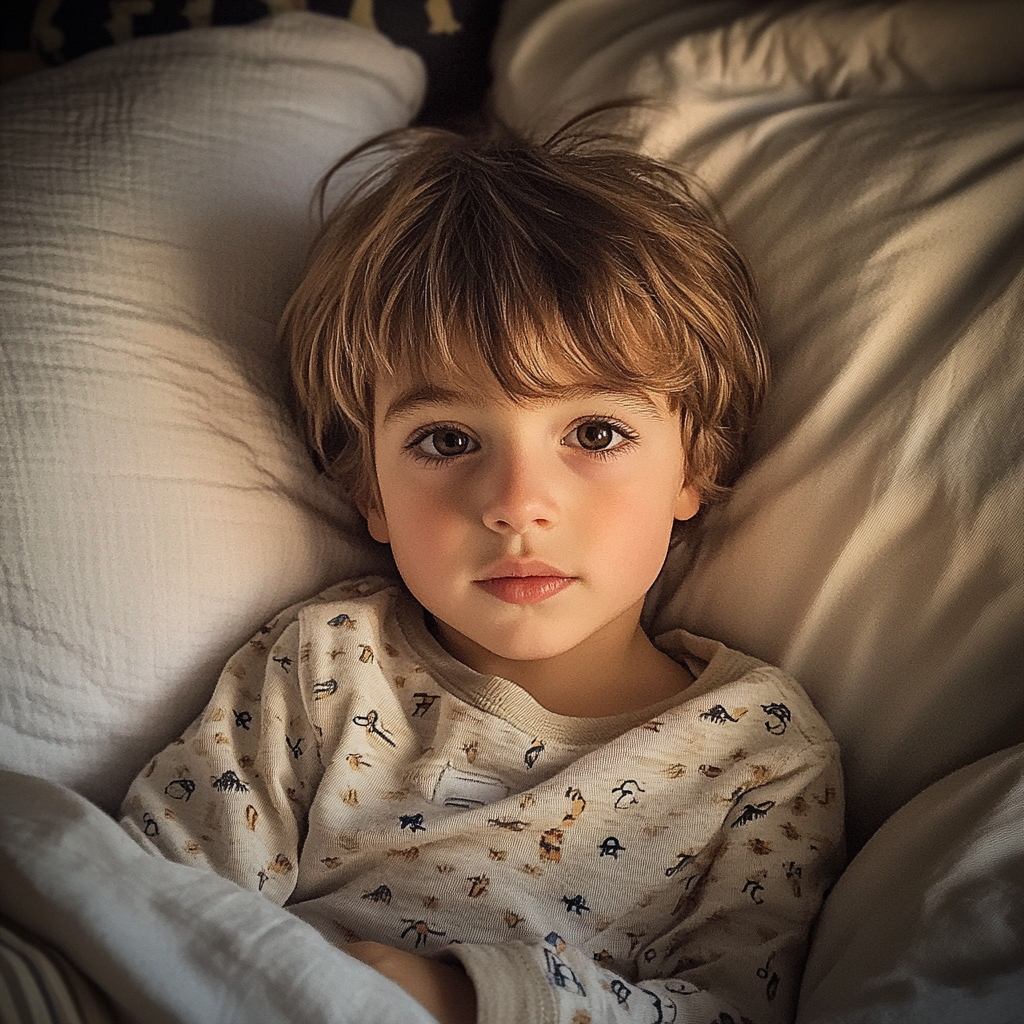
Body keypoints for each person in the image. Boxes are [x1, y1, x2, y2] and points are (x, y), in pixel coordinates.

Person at [120, 118, 844, 1024]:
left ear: (694, 465)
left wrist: (466, 1000)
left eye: (594, 433)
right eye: (448, 440)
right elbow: (149, 896)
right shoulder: (326, 664)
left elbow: (732, 1008)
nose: (515, 502)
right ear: (369, 492)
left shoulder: (756, 754)